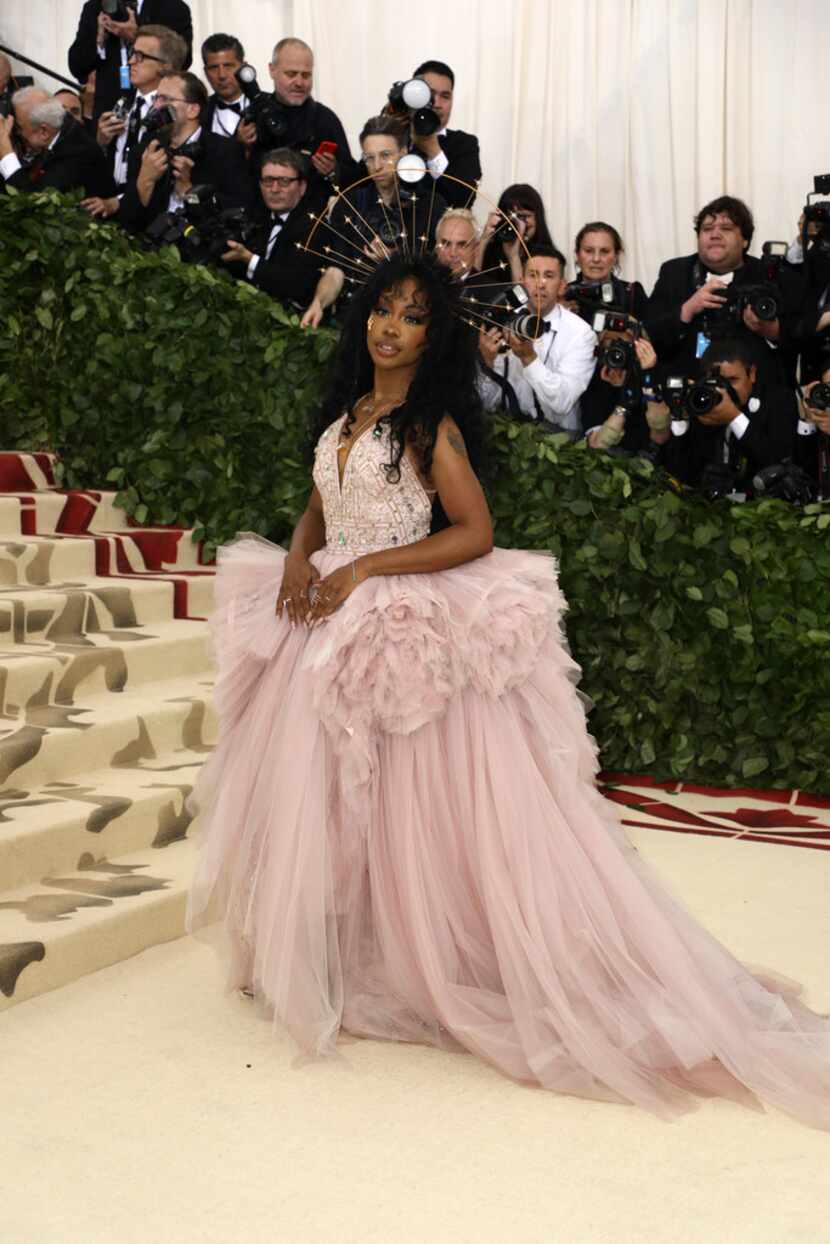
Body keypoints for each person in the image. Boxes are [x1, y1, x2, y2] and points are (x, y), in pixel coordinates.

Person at [186, 250, 830, 1129]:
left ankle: (423, 958)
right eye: (382, 309)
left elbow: (476, 532)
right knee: (332, 793)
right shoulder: (348, 410)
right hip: (324, 613)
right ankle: (346, 950)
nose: (389, 327)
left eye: (412, 317)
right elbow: (320, 500)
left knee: (411, 804)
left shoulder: (428, 425)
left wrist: (366, 568)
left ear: (432, 335)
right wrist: (302, 552)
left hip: (393, 620)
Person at [300, 115, 447, 329]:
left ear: (404, 153)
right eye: (369, 158)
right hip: (354, 318)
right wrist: (318, 303)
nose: (377, 166)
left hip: (409, 325)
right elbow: (336, 269)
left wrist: (395, 261)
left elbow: (438, 275)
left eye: (385, 155)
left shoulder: (430, 206)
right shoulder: (350, 203)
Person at [645, 195, 801, 387]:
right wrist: (687, 310)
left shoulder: (770, 274)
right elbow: (649, 335)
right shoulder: (674, 272)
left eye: (726, 229)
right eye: (707, 229)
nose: (715, 235)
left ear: (744, 240)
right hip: (688, 393)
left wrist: (772, 331)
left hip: (757, 396)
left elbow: (801, 335)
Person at [478, 245, 596, 433]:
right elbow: (485, 403)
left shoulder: (581, 334)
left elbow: (562, 402)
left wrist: (528, 358)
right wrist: (487, 363)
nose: (540, 284)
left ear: (562, 285)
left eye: (549, 276)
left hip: (559, 443)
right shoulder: (501, 320)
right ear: (521, 281)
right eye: (533, 275)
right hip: (503, 436)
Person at [118, 71, 252, 235]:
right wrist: (145, 181)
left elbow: (237, 213)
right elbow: (127, 222)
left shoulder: (226, 152)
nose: (157, 106)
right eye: (156, 98)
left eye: (166, 99)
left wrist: (190, 192)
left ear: (192, 110)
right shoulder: (146, 150)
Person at [661, 337, 798, 493]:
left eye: (732, 380)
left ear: (752, 373)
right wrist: (680, 420)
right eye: (717, 381)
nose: (725, 390)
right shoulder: (701, 402)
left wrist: (735, 417)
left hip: (759, 506)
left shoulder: (779, 401)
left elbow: (778, 462)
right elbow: (677, 473)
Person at [82, 24, 187, 219]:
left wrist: (118, 203)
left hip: (148, 216)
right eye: (132, 53)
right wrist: (101, 143)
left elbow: (163, 180)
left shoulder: (175, 113)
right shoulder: (121, 102)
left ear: (165, 65)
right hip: (106, 209)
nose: (130, 61)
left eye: (140, 56)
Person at [245, 38, 357, 210]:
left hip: (312, 223)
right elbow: (234, 175)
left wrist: (333, 171)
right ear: (272, 70)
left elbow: (354, 180)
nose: (299, 82)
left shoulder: (325, 119)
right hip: (260, 220)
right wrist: (241, 146)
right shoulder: (254, 115)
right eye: (291, 74)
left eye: (306, 75)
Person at [221, 148, 319, 308]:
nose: (274, 189)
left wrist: (249, 259)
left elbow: (298, 285)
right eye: (268, 181)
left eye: (284, 181)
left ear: (302, 187)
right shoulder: (254, 216)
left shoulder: (314, 226)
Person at [68, 0, 193, 123]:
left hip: (154, 106)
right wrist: (98, 40)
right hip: (108, 109)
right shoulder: (96, 7)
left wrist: (136, 35)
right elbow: (77, 67)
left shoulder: (173, 7)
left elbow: (183, 61)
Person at [0, 88, 116, 199]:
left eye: (19, 127)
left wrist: (6, 153)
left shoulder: (77, 153)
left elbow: (31, 203)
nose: (18, 133)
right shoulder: (61, 126)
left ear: (44, 132)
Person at [407, 58, 481, 208]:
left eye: (445, 97)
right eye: (430, 94)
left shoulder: (464, 144)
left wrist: (433, 150)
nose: (437, 104)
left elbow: (464, 200)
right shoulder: (393, 136)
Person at [563, 221, 648, 321]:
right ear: (577, 254)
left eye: (605, 251)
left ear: (616, 256)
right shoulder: (564, 294)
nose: (596, 259)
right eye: (589, 251)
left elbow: (647, 334)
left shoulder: (632, 294)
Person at [478, 183, 556, 285]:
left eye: (523, 216)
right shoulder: (490, 252)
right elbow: (470, 287)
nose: (517, 224)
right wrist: (483, 242)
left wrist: (513, 257)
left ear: (538, 219)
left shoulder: (548, 258)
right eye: (509, 217)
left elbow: (529, 298)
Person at [201, 33, 249, 140]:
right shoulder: (199, 112)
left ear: (244, 67)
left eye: (228, 66)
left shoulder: (267, 105)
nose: (222, 75)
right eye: (213, 68)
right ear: (205, 72)